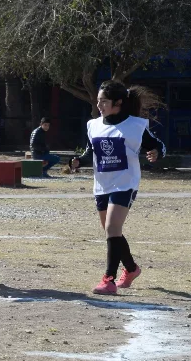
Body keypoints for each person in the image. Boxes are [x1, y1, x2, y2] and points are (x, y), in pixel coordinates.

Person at [70, 80, 166, 295]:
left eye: (104, 101)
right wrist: (78, 161)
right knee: (111, 231)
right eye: (98, 101)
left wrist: (156, 153)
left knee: (113, 228)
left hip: (125, 183)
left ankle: (109, 280)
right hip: (102, 184)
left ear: (118, 103)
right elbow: (90, 153)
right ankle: (131, 269)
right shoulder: (93, 125)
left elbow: (158, 146)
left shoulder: (135, 125)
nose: (99, 105)